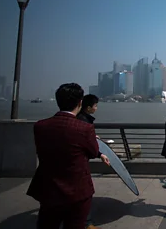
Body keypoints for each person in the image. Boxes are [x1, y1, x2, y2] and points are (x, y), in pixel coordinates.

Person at [27, 83, 99, 229]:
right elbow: (92, 152)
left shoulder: (40, 126)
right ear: (80, 103)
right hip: (77, 187)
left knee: (47, 224)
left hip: (48, 187)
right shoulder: (85, 128)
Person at [76, 94, 110, 229]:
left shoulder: (80, 119)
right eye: (95, 106)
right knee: (84, 193)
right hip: (79, 164)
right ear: (88, 107)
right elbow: (87, 145)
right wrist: (100, 154)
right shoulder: (84, 122)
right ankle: (86, 223)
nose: (96, 108)